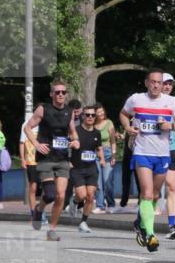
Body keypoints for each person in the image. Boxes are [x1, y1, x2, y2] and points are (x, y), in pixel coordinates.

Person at [120, 69, 175, 252]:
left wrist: (169, 125)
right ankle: (150, 234)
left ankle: (141, 223)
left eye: (159, 82)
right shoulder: (136, 99)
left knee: (156, 195)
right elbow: (123, 114)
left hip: (163, 154)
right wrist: (127, 127)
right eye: (153, 82)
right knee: (147, 193)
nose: (156, 85)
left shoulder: (171, 102)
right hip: (142, 152)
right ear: (147, 83)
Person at [24, 80, 79, 241]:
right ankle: (39, 209)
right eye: (57, 92)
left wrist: (75, 141)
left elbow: (73, 132)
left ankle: (52, 230)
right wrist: (36, 144)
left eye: (63, 92)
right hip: (46, 158)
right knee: (50, 194)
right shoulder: (43, 109)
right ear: (51, 94)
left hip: (62, 158)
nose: (60, 95)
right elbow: (27, 127)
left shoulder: (69, 112)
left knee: (61, 196)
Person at [69, 104, 105, 234]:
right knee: (82, 195)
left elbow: (99, 148)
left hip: (91, 169)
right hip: (77, 168)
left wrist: (102, 159)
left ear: (95, 117)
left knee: (90, 196)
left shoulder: (97, 133)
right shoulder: (75, 131)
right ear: (83, 116)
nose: (90, 117)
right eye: (87, 115)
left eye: (93, 115)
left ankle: (83, 222)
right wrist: (68, 159)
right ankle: (74, 201)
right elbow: (66, 145)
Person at [160, 74, 175, 239]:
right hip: (153, 149)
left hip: (172, 148)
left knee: (172, 186)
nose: (168, 87)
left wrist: (174, 126)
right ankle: (142, 221)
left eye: (170, 84)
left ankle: (172, 226)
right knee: (153, 191)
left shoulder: (174, 102)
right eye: (164, 83)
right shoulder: (147, 101)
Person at [94, 104, 118, 213]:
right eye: (98, 112)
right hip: (96, 154)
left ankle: (111, 204)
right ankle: (100, 205)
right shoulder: (92, 125)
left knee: (107, 181)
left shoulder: (109, 123)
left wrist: (114, 154)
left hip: (108, 152)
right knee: (98, 183)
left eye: (102, 111)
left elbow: (113, 140)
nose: (101, 114)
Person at [20, 115, 39, 222]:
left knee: (48, 188)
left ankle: (41, 210)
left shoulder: (46, 124)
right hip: (31, 161)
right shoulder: (26, 124)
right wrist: (22, 159)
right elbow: (22, 143)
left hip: (44, 161)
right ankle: (33, 214)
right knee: (33, 188)